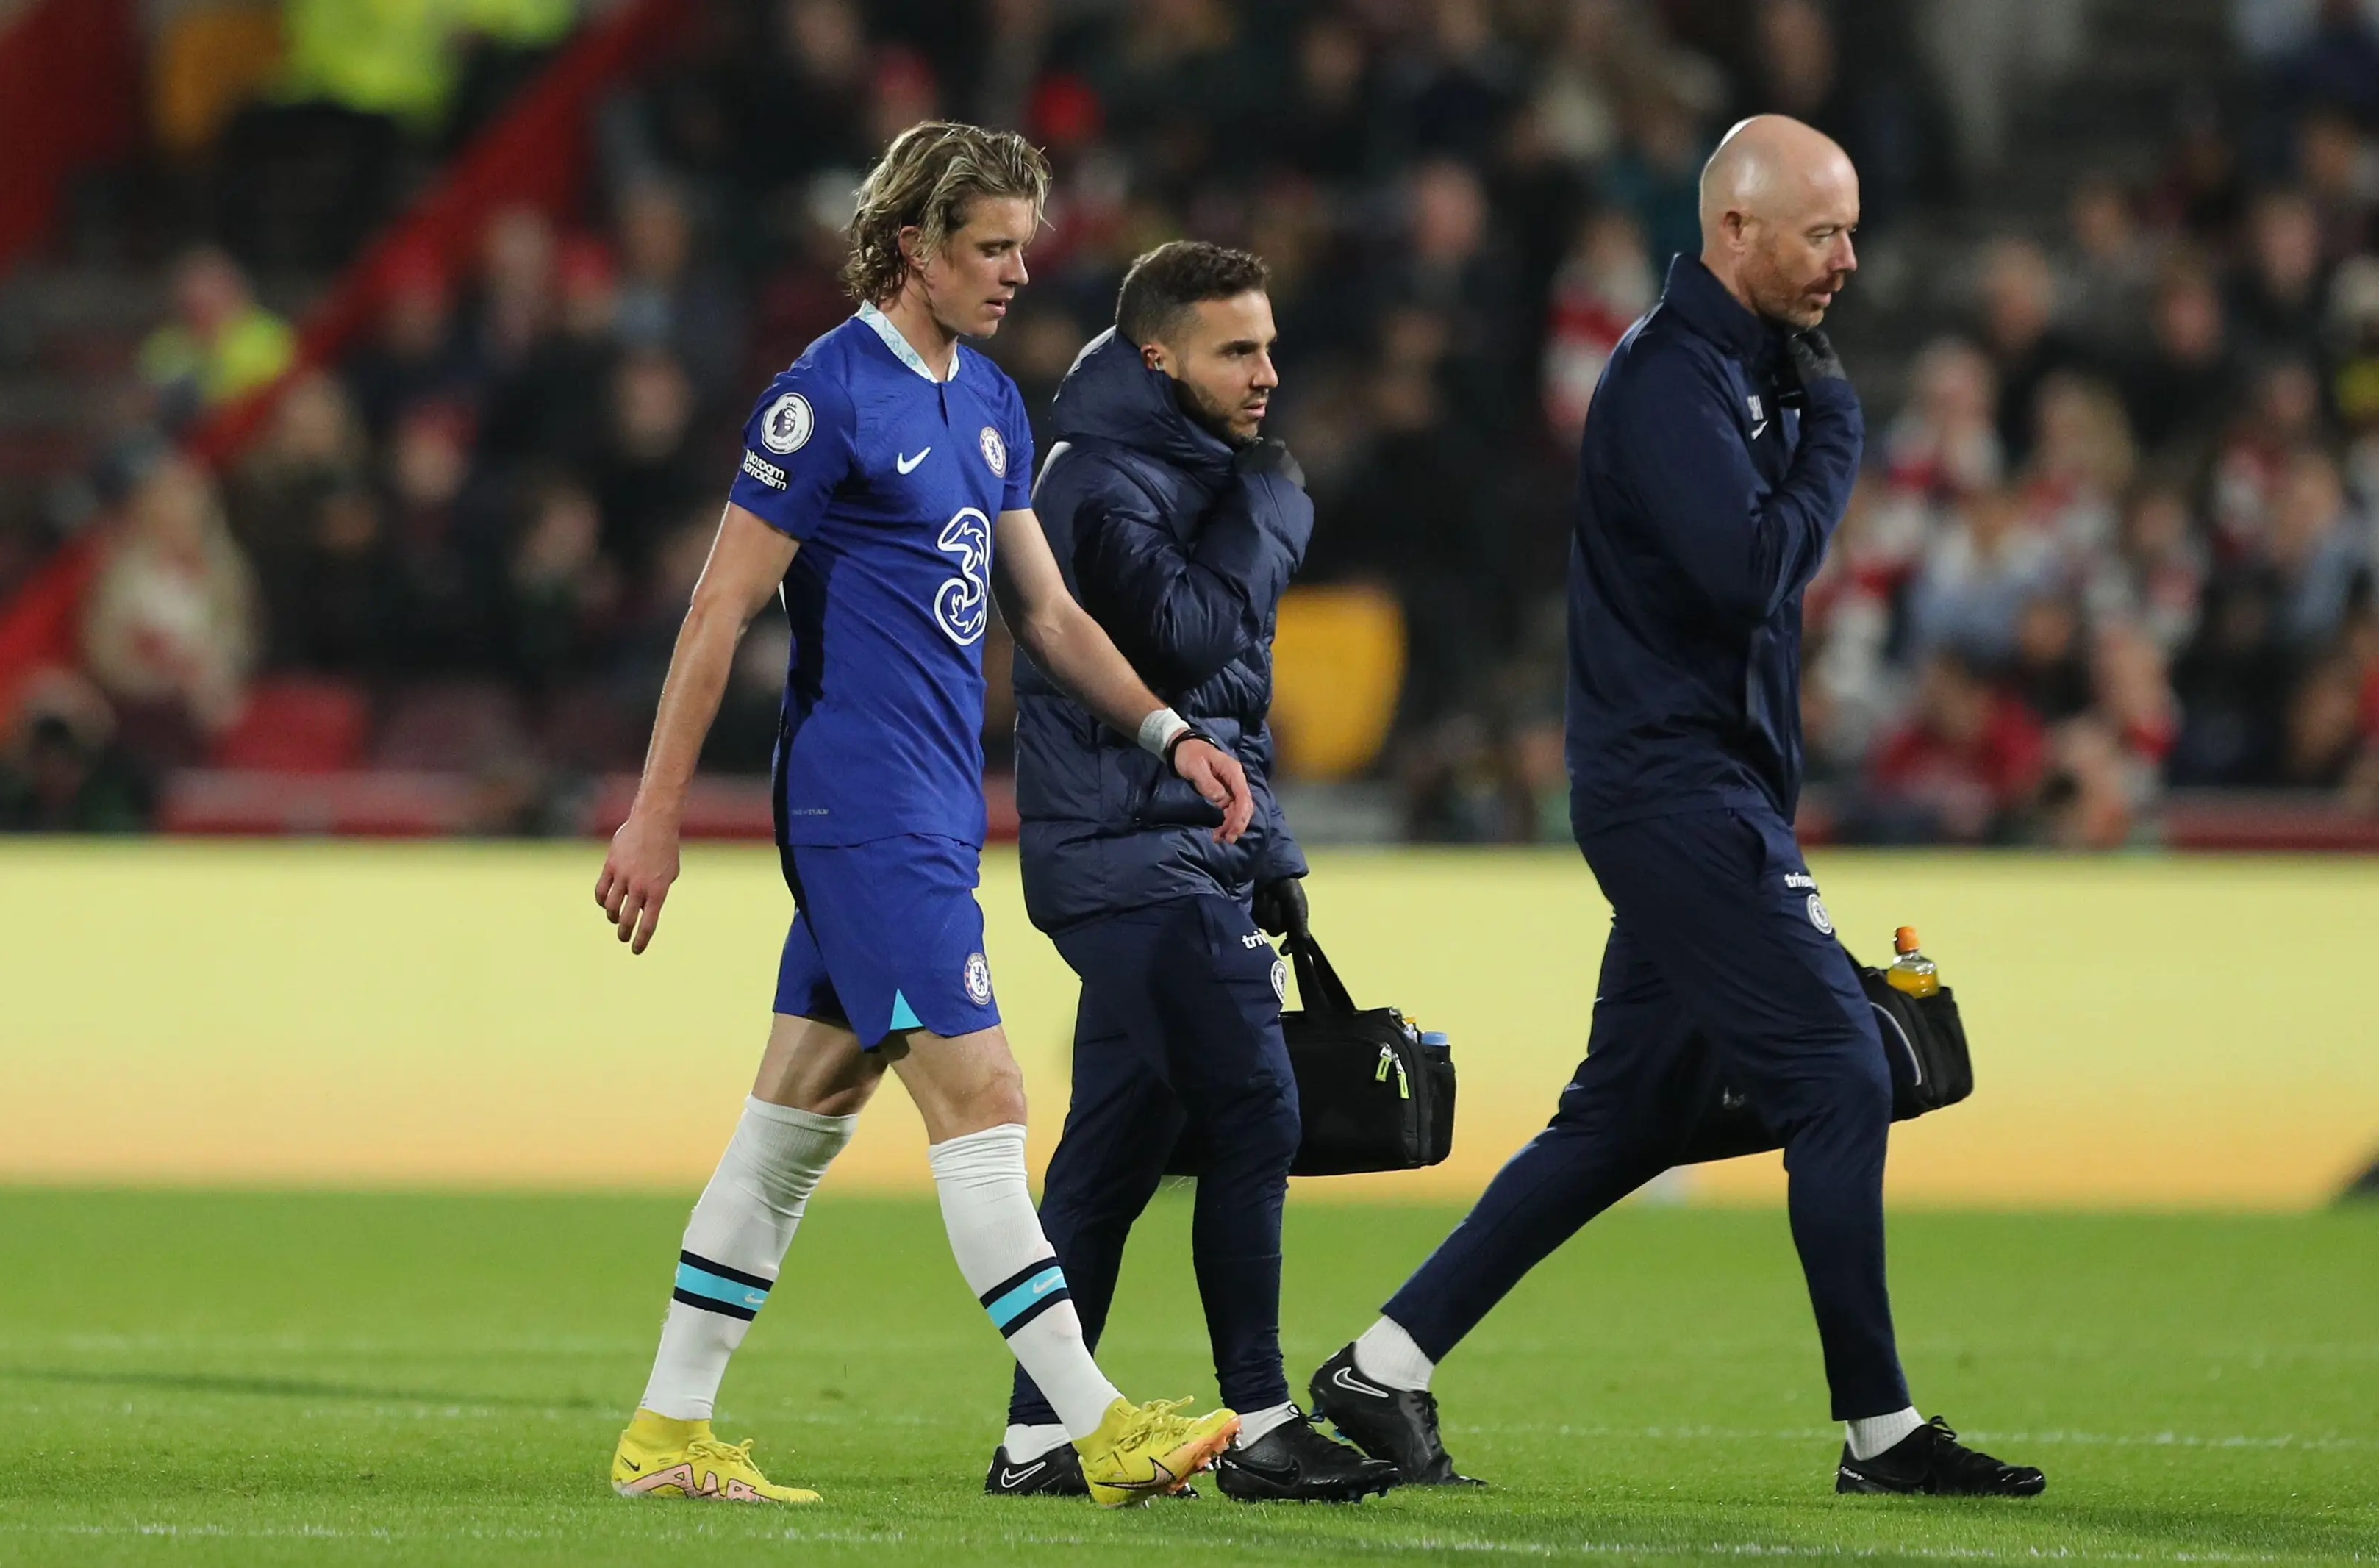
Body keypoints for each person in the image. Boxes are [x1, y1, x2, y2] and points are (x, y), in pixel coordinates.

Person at [1306, 117, 2050, 1498]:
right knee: (1840, 1071)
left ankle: (1382, 1366)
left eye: (1852, 230)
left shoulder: (1742, 372)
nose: (1847, 259)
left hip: (1703, 786)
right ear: (1734, 231)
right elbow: (1746, 574)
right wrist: (1837, 438)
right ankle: (1881, 1433)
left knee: (1626, 1118)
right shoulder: (1667, 381)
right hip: (1677, 792)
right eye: (1821, 233)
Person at [593, 121, 1255, 1507]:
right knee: (987, 1097)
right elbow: (718, 608)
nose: (1020, 272)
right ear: (915, 248)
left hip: (936, 812)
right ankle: (1096, 1424)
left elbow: (1048, 614)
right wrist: (655, 815)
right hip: (863, 810)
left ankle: (666, 1431)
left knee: (793, 1126)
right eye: (992, 248)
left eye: (1024, 246)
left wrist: (1169, 731)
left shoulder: (993, 402)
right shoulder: (825, 397)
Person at [987, 241, 1392, 1503]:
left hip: (1169, 853)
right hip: (1128, 858)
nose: (1268, 373)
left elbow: (1223, 702)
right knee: (1255, 1111)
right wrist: (1272, 514)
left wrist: (1267, 855)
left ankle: (1037, 1441)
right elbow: (1182, 642)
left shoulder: (1185, 468)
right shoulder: (1098, 482)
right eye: (1238, 351)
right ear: (1158, 355)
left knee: (1115, 1151)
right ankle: (1262, 1422)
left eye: (1269, 347)